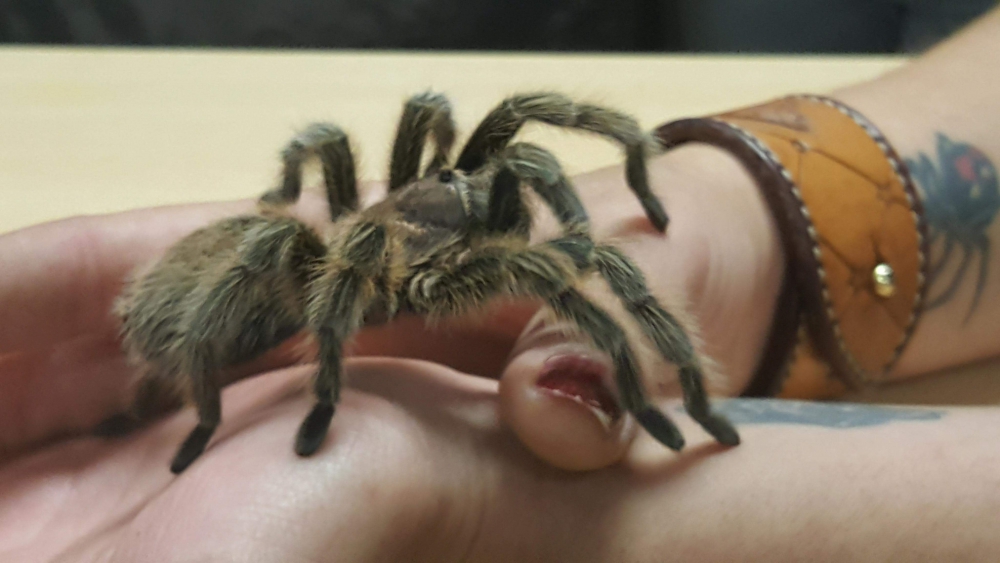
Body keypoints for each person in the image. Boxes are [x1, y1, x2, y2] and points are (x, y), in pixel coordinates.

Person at [3, 7, 1000, 562]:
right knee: (578, 265)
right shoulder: (351, 250)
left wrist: (678, 200)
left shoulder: (453, 202)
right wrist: (738, 211)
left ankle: (688, 389)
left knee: (553, 189)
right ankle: (201, 398)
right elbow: (340, 229)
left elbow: (478, 161)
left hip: (302, 262)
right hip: (262, 280)